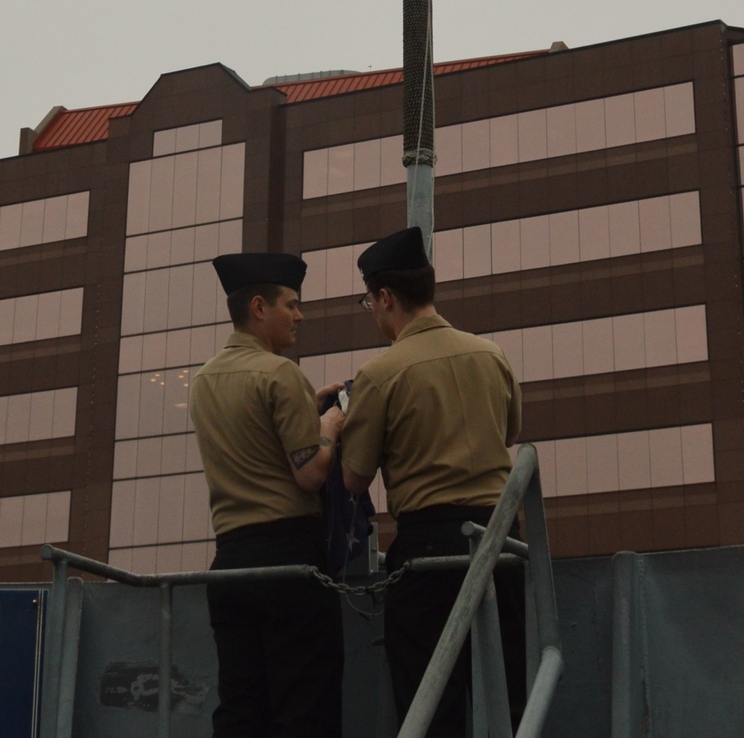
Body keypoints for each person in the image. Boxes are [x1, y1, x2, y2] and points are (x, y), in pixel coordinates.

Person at [340, 226, 526, 736]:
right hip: (503, 541)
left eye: (369, 303)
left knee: (430, 701)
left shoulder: (382, 373)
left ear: (385, 297)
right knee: (510, 694)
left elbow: (354, 478)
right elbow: (511, 432)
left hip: (428, 547)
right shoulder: (491, 355)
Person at [189, 251, 346, 738]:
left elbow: (255, 438)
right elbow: (310, 475)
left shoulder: (203, 381)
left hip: (231, 561)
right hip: (289, 560)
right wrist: (331, 425)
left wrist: (306, 412)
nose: (299, 316)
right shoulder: (281, 375)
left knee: (241, 706)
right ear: (260, 307)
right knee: (305, 705)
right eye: (292, 305)